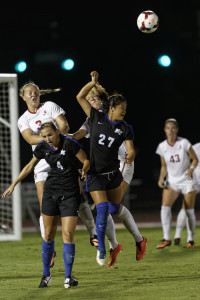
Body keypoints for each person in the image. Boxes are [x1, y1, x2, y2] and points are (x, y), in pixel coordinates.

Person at [2, 121, 90, 288]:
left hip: (70, 195)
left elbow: (86, 160)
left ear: (57, 132)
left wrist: (84, 169)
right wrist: (14, 184)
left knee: (68, 235)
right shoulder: (42, 147)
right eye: (44, 136)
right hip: (50, 194)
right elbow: (29, 166)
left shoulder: (70, 144)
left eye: (50, 135)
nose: (48, 139)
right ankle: (46, 275)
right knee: (48, 235)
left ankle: (68, 277)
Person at [68, 82, 146, 267]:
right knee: (105, 208)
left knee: (113, 207)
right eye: (89, 99)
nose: (91, 102)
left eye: (93, 98)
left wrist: (130, 156)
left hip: (121, 166)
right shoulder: (94, 118)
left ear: (103, 101)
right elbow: (78, 135)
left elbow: (130, 149)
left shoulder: (122, 124)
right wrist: (60, 137)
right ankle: (111, 245)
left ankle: (135, 240)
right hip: (98, 172)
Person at [18, 81, 95, 267]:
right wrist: (49, 139)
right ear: (23, 97)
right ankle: (49, 246)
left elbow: (64, 126)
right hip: (43, 161)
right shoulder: (23, 119)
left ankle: (93, 233)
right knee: (44, 202)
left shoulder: (50, 106)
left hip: (63, 155)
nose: (34, 95)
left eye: (36, 92)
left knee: (76, 196)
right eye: (30, 93)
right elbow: (29, 138)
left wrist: (55, 138)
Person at [156, 118, 198, 249]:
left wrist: (191, 170)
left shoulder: (184, 143)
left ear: (177, 130)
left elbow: (195, 160)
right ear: (164, 130)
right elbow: (164, 166)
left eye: (173, 128)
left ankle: (190, 238)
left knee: (189, 211)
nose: (170, 131)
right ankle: (166, 238)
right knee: (165, 207)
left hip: (187, 180)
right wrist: (161, 177)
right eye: (168, 128)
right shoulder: (162, 146)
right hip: (173, 181)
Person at [174, 142, 200, 247]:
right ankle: (190, 239)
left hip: (191, 179)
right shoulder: (195, 147)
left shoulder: (195, 146)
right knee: (188, 208)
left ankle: (178, 236)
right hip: (193, 179)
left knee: (186, 208)